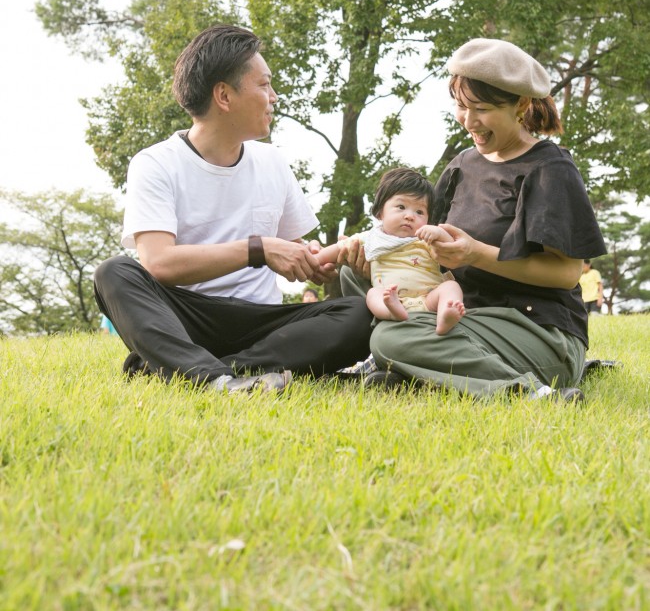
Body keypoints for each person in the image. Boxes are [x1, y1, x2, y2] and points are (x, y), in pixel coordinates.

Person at [94, 24, 372, 395]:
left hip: (259, 320)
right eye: (264, 85)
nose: (274, 96)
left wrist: (333, 257)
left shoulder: (272, 161)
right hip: (185, 316)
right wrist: (258, 249)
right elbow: (159, 263)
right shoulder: (155, 163)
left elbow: (299, 255)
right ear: (224, 96)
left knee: (359, 313)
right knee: (113, 273)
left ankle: (196, 369)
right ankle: (215, 376)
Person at [341, 38, 607, 402]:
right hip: (462, 314)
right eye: (461, 106)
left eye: (480, 108)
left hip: (535, 329)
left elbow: (565, 273)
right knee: (356, 275)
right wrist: (369, 254)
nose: (468, 121)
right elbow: (421, 246)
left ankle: (528, 391)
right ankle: (412, 368)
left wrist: (474, 254)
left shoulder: (549, 169)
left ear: (521, 105)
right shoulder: (461, 166)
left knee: (391, 336)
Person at [318, 168, 465, 335]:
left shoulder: (425, 239)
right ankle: (392, 313)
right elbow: (337, 249)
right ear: (380, 212)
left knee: (450, 286)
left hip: (429, 298)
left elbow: (451, 247)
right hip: (393, 298)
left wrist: (440, 233)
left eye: (419, 212)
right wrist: (315, 260)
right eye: (401, 207)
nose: (410, 216)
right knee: (374, 294)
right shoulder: (371, 238)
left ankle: (446, 314)